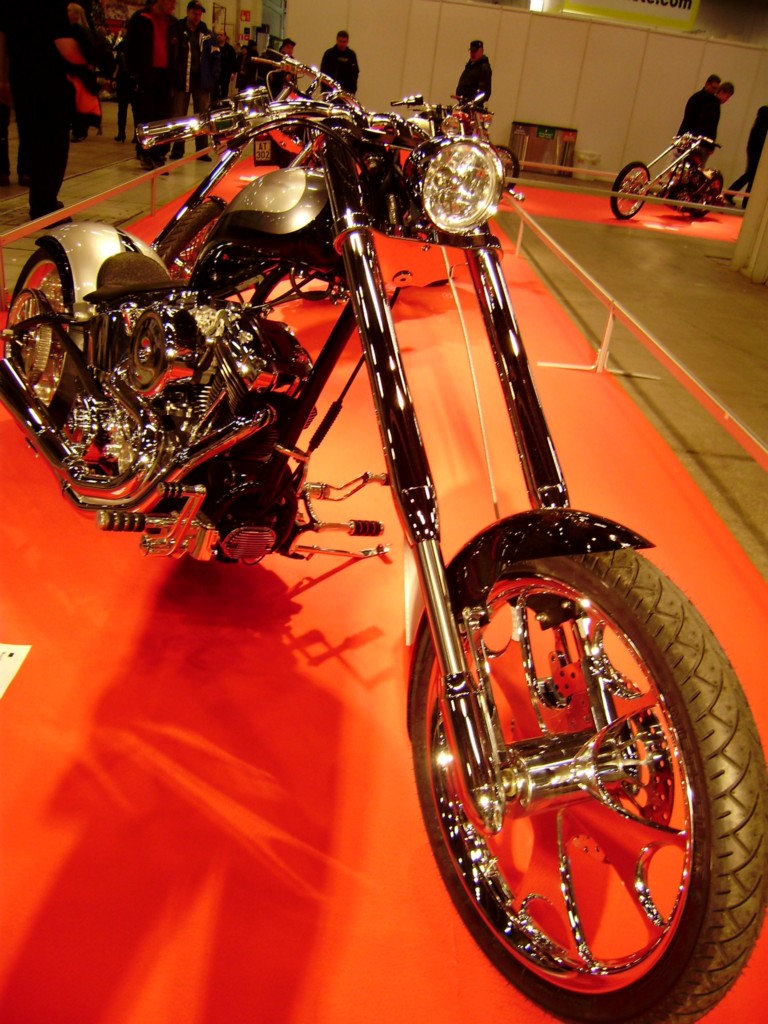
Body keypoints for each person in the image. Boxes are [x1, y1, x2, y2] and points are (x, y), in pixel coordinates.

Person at [0, 2, 81, 220]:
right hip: (51, 78)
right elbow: (64, 42)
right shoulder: (52, 7)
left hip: (22, 76)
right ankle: (44, 204)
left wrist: (3, 79)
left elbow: (3, 38)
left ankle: (41, 201)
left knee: (33, 139)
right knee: (53, 142)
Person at [125, 0, 177, 171]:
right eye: (171, 1)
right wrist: (134, 75)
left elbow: (179, 51)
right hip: (146, 75)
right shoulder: (140, 19)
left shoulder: (173, 23)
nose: (173, 5)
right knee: (146, 116)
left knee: (164, 117)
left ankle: (160, 154)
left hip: (166, 77)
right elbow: (130, 49)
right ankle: (145, 153)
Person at [168, 1, 219, 160]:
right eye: (194, 13)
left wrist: (213, 76)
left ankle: (201, 151)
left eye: (199, 14)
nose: (197, 17)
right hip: (182, 81)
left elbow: (216, 57)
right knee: (179, 116)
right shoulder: (177, 31)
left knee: (202, 117)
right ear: (188, 12)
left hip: (202, 83)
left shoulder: (208, 35)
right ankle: (177, 150)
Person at [66, 3, 103, 141]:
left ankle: (79, 130)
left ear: (76, 14)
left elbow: (90, 52)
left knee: (80, 102)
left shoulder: (80, 32)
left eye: (69, 11)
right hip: (75, 71)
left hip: (79, 72)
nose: (67, 13)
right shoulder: (77, 31)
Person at [727, 105, 768, 208]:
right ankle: (745, 201)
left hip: (753, 150)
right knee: (752, 177)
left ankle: (732, 194)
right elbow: (762, 140)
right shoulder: (763, 125)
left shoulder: (759, 123)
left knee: (750, 175)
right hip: (758, 152)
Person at [112, 23, 137, 143]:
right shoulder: (122, 44)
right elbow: (117, 63)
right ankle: (122, 132)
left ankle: (132, 134)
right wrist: (114, 78)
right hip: (124, 79)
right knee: (125, 108)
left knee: (133, 109)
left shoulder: (135, 45)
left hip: (131, 79)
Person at [320, 30, 359, 95]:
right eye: (340, 41)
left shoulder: (351, 55)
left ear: (347, 42)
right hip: (330, 90)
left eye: (344, 42)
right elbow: (323, 73)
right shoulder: (329, 54)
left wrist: (353, 90)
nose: (342, 44)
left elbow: (355, 72)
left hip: (347, 92)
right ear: (337, 40)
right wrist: (324, 91)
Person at [455, 39, 492, 104]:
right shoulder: (469, 66)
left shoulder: (484, 68)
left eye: (475, 51)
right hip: (463, 104)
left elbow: (484, 92)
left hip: (473, 107)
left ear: (482, 51)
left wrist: (472, 101)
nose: (473, 53)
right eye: (471, 51)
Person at [212, 28, 237, 101]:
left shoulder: (230, 49)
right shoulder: (214, 47)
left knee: (224, 91)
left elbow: (233, 61)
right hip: (215, 73)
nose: (219, 36)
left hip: (225, 73)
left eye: (221, 35)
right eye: (218, 35)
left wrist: (233, 72)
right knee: (214, 91)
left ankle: (223, 103)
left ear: (225, 37)